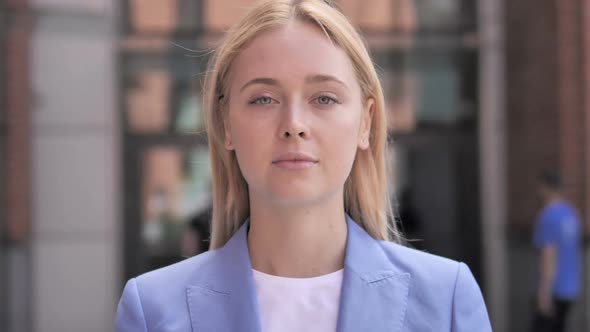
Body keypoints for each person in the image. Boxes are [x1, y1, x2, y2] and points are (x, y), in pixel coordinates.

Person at [114, 1, 491, 331]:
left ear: (366, 122)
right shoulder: (153, 310)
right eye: (263, 99)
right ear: (226, 124)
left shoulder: (445, 300)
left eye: (324, 98)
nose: (294, 124)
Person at [531, 171, 582, 332]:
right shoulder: (571, 214)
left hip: (554, 288)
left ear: (546, 189)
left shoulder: (548, 216)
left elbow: (549, 255)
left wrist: (544, 292)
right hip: (571, 287)